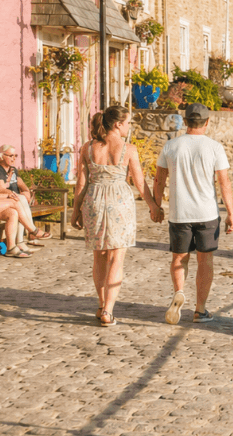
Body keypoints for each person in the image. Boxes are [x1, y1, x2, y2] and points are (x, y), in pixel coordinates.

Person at [71, 106, 162, 327]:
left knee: (99, 255)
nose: (129, 127)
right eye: (128, 123)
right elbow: (140, 183)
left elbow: (81, 184)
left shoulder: (88, 148)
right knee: (116, 257)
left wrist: (75, 210)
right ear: (118, 124)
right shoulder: (128, 149)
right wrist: (153, 206)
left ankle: (102, 304)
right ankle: (109, 311)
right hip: (119, 200)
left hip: (94, 199)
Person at [154, 104, 233, 325]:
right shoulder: (214, 147)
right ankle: (200, 310)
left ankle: (179, 291)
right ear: (207, 122)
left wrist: (156, 206)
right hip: (207, 214)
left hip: (179, 213)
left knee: (179, 258)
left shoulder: (170, 146)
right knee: (205, 260)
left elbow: (159, 179)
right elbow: (224, 182)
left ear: (185, 121)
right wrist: (230, 212)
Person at [0, 144, 52, 245]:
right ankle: (32, 231)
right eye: (11, 156)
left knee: (21, 201)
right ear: (1, 157)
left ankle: (21, 243)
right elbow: (0, 189)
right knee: (20, 201)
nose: (14, 158)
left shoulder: (13, 169)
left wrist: (26, 192)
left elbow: (22, 184)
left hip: (16, 201)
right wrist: (18, 195)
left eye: (15, 156)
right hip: (4, 202)